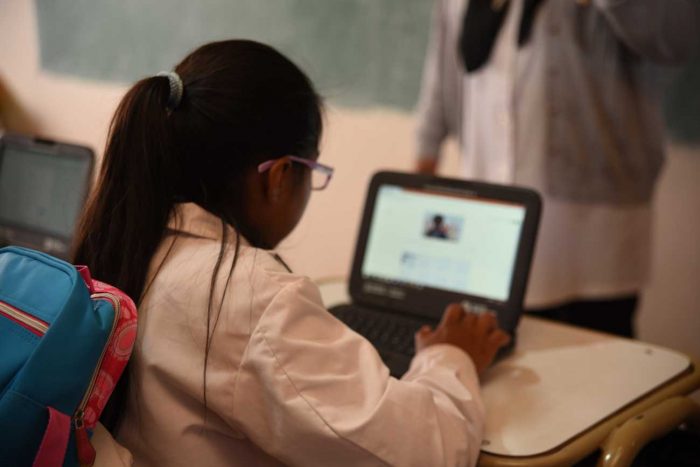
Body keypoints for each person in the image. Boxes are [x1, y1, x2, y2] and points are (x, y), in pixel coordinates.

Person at [73, 40, 510, 467]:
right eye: (313, 171)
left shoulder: (128, 242)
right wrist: (453, 356)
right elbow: (427, 450)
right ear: (280, 176)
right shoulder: (249, 296)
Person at [415, 0, 699, 337]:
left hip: (591, 231)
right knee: (502, 369)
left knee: (597, 369)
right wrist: (423, 166)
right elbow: (446, 63)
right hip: (488, 221)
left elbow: (677, 38)